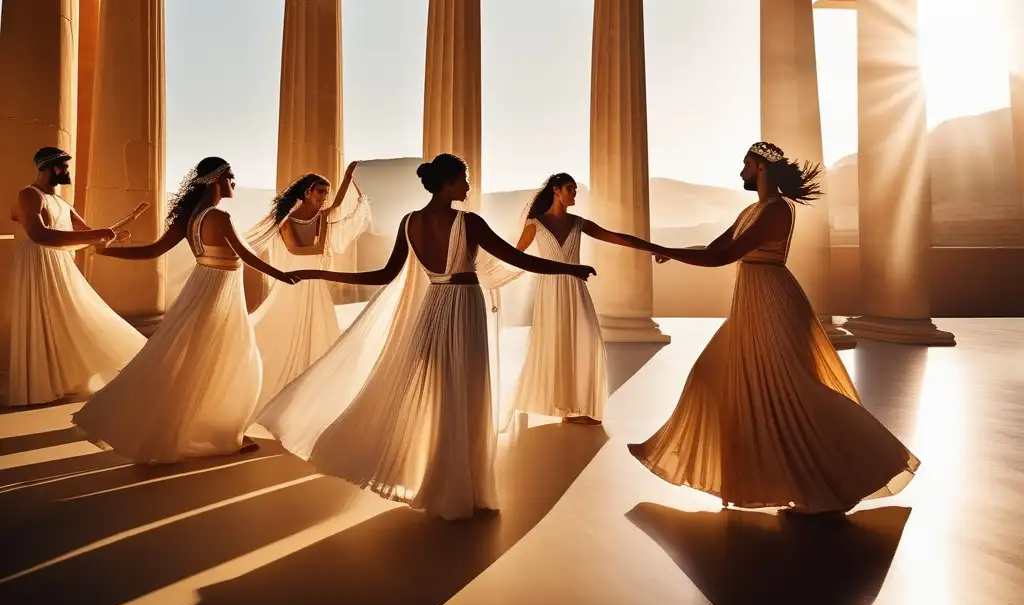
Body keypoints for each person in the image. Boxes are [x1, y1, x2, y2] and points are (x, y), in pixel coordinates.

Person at [257, 154, 596, 520]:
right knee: (468, 394)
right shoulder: (469, 222)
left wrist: (322, 275)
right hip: (464, 308)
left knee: (441, 395)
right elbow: (520, 260)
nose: (468, 186)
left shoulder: (410, 222)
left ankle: (444, 487)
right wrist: (570, 268)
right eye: (464, 178)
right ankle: (464, 491)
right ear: (449, 182)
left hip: (434, 307)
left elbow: (383, 275)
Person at [628, 142, 918, 515]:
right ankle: (767, 479)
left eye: (746, 165)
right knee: (712, 376)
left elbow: (721, 258)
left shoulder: (777, 210)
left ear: (762, 167)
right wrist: (670, 250)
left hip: (772, 300)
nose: (741, 172)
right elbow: (717, 246)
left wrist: (651, 244)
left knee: (790, 389)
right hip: (751, 301)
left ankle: (863, 466)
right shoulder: (752, 210)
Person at [72, 157, 298, 463]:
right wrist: (282, 276)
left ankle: (204, 428)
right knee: (231, 359)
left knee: (197, 358)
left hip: (200, 288)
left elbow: (152, 250)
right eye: (230, 176)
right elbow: (246, 256)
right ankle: (220, 433)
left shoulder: (191, 218)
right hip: (219, 293)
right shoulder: (219, 217)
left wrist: (107, 251)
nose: (234, 182)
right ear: (216, 179)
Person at [511, 172, 664, 426]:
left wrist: (653, 248)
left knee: (584, 342)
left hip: (576, 288)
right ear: (556, 190)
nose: (574, 194)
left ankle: (574, 406)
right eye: (570, 189)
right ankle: (565, 408)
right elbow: (516, 256)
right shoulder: (535, 224)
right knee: (556, 344)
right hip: (550, 291)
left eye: (575, 190)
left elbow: (617, 237)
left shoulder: (578, 223)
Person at [7, 147, 147, 406]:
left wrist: (109, 236)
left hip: (60, 267)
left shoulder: (62, 203)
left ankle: (73, 379)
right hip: (36, 266)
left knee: (75, 317)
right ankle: (40, 386)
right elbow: (40, 235)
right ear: (48, 167)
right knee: (42, 319)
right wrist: (99, 234)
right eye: (63, 166)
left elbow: (85, 234)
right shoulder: (29, 194)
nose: (67, 171)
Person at [246, 162, 371, 411]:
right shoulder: (285, 220)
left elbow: (337, 206)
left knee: (320, 329)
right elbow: (296, 250)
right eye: (321, 192)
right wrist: (322, 239)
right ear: (307, 193)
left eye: (326, 192)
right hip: (294, 280)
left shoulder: (323, 216)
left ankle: (315, 390)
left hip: (315, 282)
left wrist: (348, 174)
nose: (325, 198)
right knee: (283, 329)